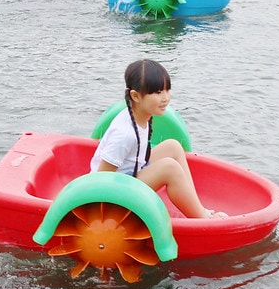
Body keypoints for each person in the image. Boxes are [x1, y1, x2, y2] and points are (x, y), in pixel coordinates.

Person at [90, 59, 226, 218]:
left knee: (173, 147)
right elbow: (102, 180)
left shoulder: (140, 116)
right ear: (135, 96)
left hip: (130, 175)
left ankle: (198, 208)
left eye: (167, 90)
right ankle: (203, 220)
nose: (166, 98)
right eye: (158, 92)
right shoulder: (124, 134)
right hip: (113, 197)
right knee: (170, 167)